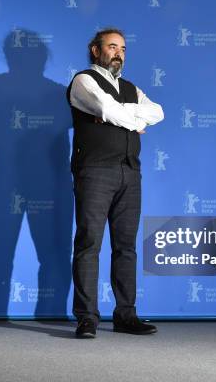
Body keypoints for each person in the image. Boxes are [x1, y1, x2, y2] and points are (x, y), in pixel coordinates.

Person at [66, 28, 164, 338]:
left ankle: (125, 315)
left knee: (126, 248)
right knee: (89, 245)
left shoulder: (132, 88)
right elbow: (105, 108)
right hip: (95, 171)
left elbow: (158, 112)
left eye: (122, 48)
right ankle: (87, 318)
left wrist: (126, 114)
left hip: (129, 173)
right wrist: (134, 120)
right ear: (96, 51)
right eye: (111, 46)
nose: (118, 52)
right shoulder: (83, 81)